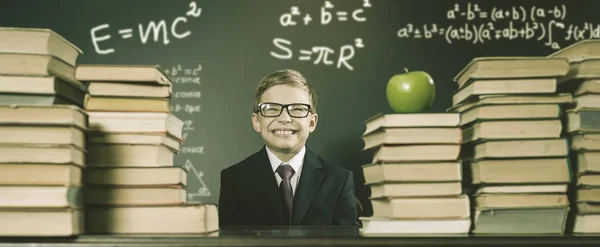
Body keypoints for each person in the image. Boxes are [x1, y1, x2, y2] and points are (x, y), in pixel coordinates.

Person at [218, 69, 358, 226]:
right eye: (271, 109)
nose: (284, 118)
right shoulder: (235, 179)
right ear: (257, 121)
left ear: (312, 122)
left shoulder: (338, 180)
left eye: (297, 109)